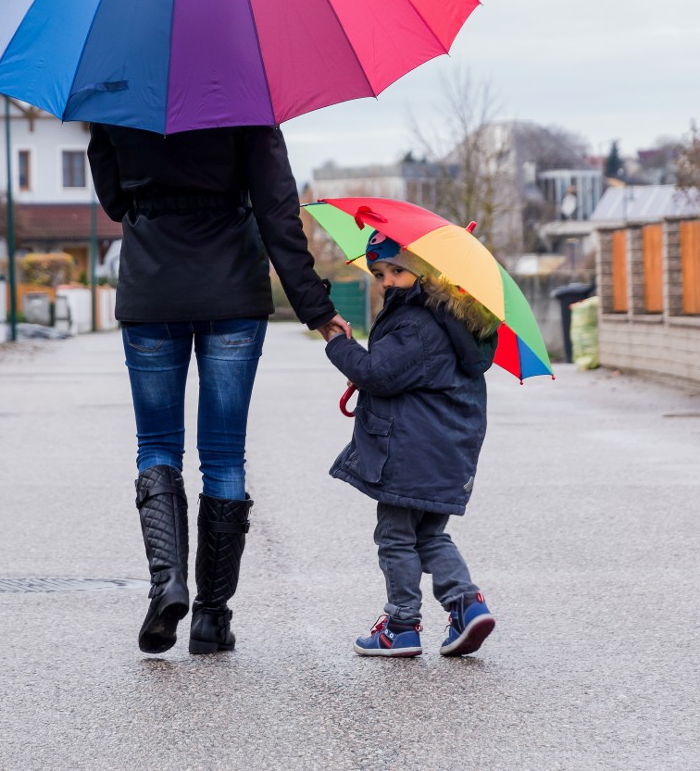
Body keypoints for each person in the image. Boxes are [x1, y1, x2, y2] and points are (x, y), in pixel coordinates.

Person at [88, 123, 349, 657]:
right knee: (225, 457)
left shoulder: (114, 93)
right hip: (231, 288)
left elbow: (114, 199)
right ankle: (211, 618)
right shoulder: (248, 100)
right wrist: (317, 310)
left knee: (157, 446)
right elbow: (279, 214)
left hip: (151, 288)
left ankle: (168, 583)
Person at [324, 230, 500, 658]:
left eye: (397, 271)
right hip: (449, 449)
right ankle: (466, 603)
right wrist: (369, 368)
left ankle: (401, 625)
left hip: (409, 450)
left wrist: (339, 345)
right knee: (429, 535)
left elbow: (381, 374)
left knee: (395, 535)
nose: (386, 281)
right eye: (379, 272)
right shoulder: (450, 319)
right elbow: (401, 373)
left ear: (424, 269)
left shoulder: (416, 321)